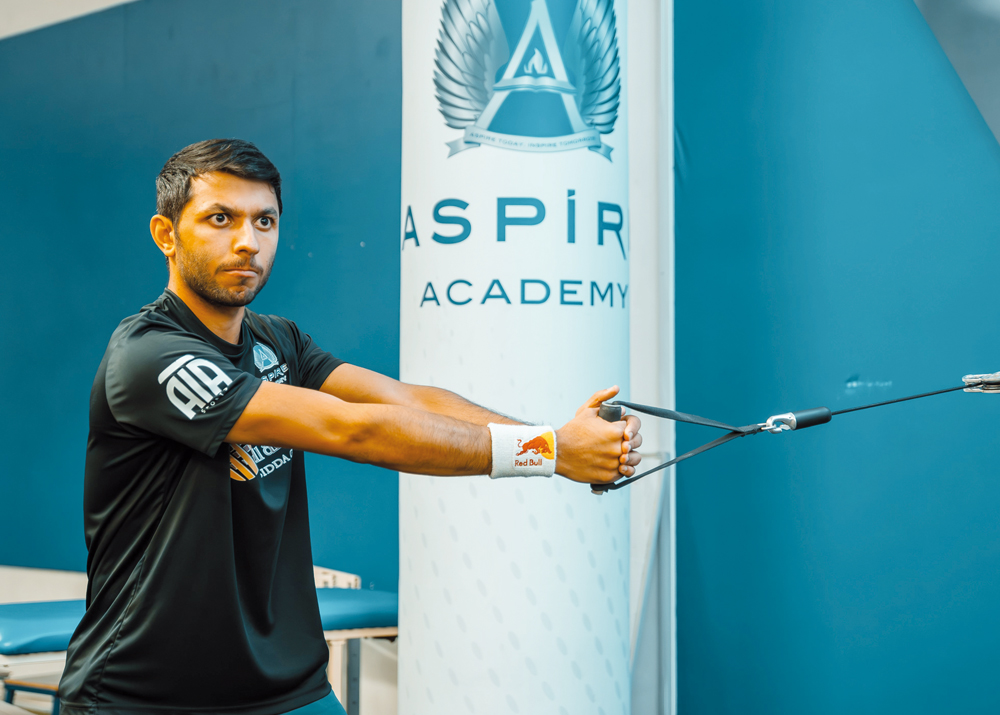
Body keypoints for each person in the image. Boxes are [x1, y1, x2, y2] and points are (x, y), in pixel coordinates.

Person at [58, 139, 643, 715]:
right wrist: (550, 452)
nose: (248, 242)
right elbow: (354, 430)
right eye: (220, 219)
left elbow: (406, 399)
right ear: (166, 235)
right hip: (146, 693)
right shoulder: (149, 355)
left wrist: (557, 438)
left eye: (265, 221)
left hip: (286, 685)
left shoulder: (277, 340)